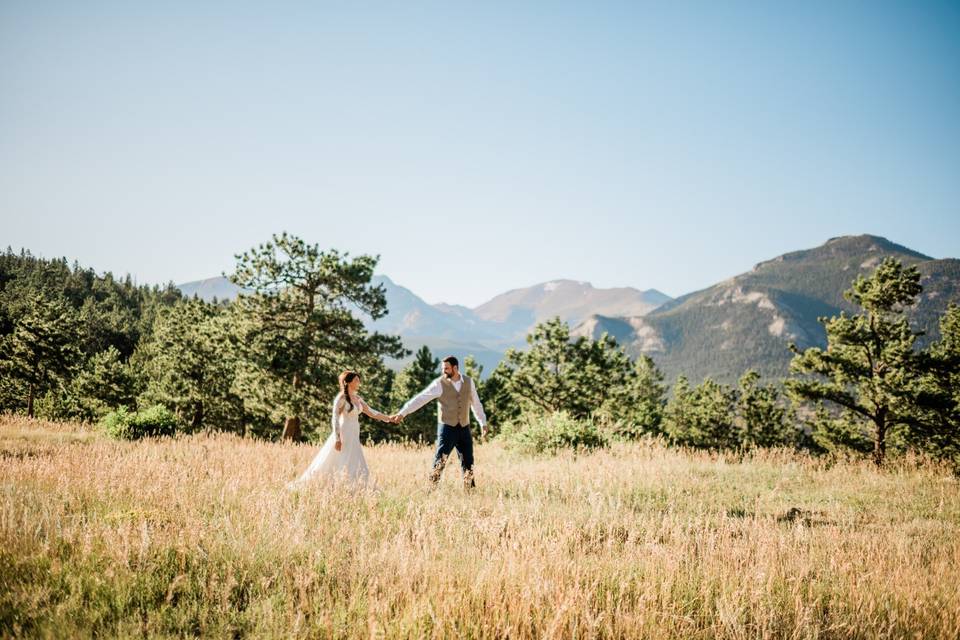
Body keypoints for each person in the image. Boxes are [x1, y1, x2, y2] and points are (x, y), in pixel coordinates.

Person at [287, 370, 395, 489]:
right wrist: (337, 438)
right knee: (337, 459)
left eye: (358, 379)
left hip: (354, 434)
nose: (359, 382)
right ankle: (329, 485)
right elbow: (335, 419)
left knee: (355, 460)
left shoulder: (357, 398)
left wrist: (388, 418)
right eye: (356, 380)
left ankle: (357, 487)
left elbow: (371, 412)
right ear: (348, 382)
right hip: (344, 433)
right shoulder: (341, 398)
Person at [393, 356, 489, 488]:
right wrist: (403, 413)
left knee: (468, 462)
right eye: (443, 368)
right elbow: (421, 399)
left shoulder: (468, 382)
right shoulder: (439, 383)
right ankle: (431, 489)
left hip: (464, 428)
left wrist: (482, 422)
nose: (444, 371)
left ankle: (470, 493)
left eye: (447, 368)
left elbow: (476, 404)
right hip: (447, 428)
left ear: (455, 368)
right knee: (440, 460)